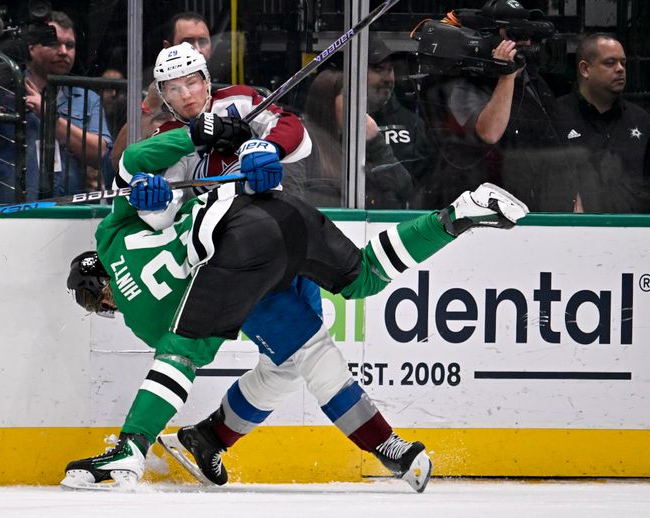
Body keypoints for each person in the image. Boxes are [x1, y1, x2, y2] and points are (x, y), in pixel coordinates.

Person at [59, 43, 530, 492]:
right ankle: (452, 219)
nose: (186, 94)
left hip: (245, 238)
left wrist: (264, 149)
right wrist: (174, 167)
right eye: (175, 89)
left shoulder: (237, 103)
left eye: (192, 83)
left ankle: (143, 446)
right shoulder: (160, 153)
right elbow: (151, 195)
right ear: (162, 98)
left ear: (206, 80)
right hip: (270, 228)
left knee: (279, 355)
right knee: (321, 330)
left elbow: (293, 132)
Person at [418, 0, 572, 211]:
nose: (525, 42)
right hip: (483, 208)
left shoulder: (534, 79)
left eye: (529, 35)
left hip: (539, 203)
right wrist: (506, 75)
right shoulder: (462, 83)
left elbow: (559, 143)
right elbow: (489, 132)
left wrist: (574, 195)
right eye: (516, 35)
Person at [0, 11, 112, 202]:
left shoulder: (87, 99)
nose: (64, 51)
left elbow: (101, 155)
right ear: (31, 48)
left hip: (68, 213)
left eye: (70, 45)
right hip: (4, 214)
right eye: (54, 43)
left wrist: (51, 117)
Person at [287, 68, 413, 208]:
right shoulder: (300, 141)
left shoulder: (358, 144)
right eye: (348, 98)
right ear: (326, 101)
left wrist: (376, 143)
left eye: (360, 98)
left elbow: (403, 189)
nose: (358, 106)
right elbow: (293, 201)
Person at [554, 34, 650, 213]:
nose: (620, 69)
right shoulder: (556, 116)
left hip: (635, 232)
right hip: (573, 231)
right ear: (585, 69)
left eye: (623, 63)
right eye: (610, 62)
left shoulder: (641, 119)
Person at [107, 11, 213, 171]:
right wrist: (149, 105)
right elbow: (117, 162)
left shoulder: (225, 91)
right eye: (188, 43)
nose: (198, 49)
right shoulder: (151, 97)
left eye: (203, 42)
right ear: (168, 48)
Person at [366, 35, 432, 206]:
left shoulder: (412, 123)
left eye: (390, 69)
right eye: (379, 70)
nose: (388, 78)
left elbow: (418, 188)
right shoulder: (334, 120)